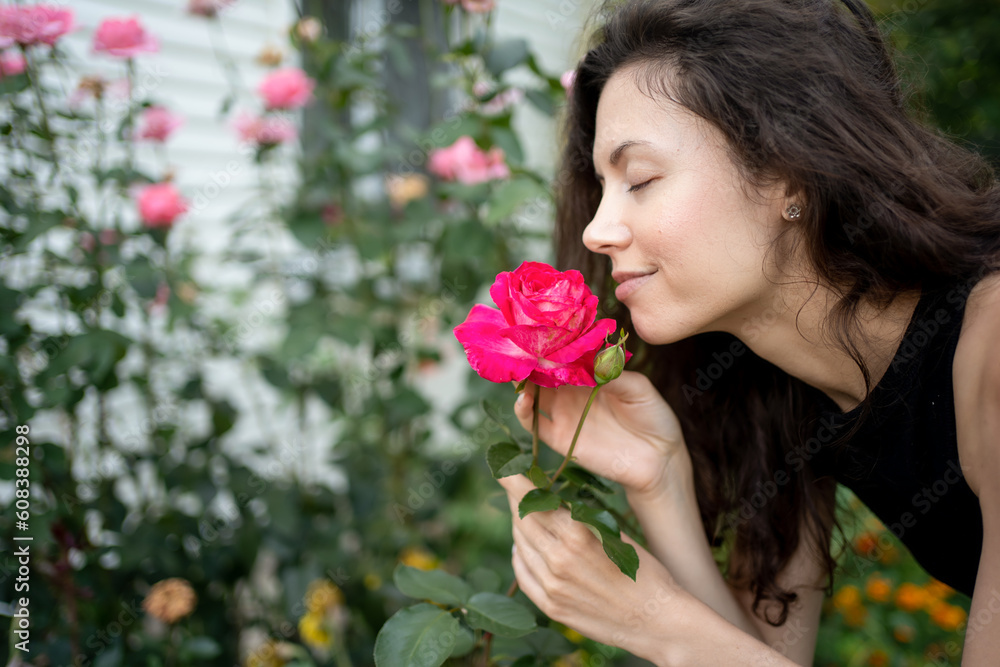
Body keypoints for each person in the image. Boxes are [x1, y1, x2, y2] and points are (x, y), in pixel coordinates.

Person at [495, 0, 1000, 664]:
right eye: (601, 187)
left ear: (790, 174)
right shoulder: (785, 389)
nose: (597, 229)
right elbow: (756, 654)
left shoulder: (990, 343)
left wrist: (655, 622)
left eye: (640, 179)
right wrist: (658, 478)